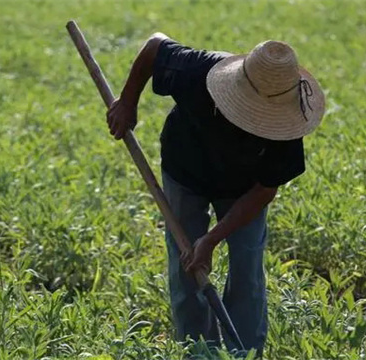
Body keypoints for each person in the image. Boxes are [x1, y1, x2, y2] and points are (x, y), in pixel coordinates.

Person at [106, 33, 325, 357]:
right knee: (187, 265)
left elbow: (264, 190)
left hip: (243, 189)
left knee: (247, 268)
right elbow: (155, 46)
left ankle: (244, 353)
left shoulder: (287, 125)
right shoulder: (200, 73)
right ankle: (199, 351)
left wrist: (212, 239)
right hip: (186, 170)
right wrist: (127, 101)